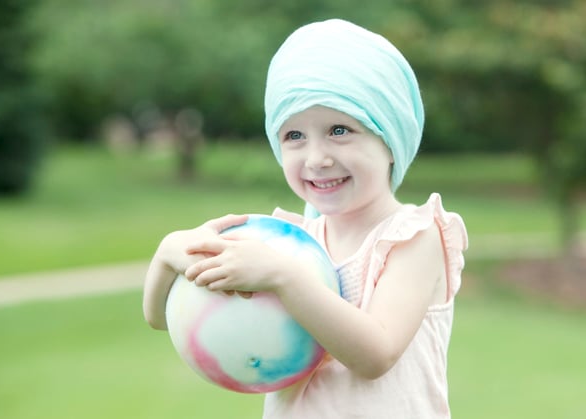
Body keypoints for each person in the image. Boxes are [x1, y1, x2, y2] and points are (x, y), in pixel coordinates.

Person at [143, 18, 468, 418]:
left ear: (390, 138)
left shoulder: (413, 238)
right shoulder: (288, 242)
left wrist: (284, 277)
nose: (317, 158)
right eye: (294, 136)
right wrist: (169, 256)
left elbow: (376, 355)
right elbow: (162, 316)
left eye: (339, 129)